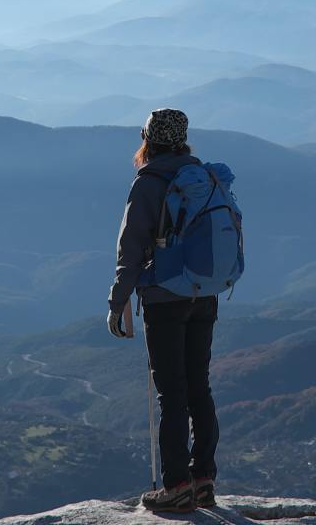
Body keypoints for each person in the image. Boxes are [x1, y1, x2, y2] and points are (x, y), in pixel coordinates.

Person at [109, 107, 225, 513]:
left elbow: (131, 249)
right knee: (199, 388)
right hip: (204, 296)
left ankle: (176, 485)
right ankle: (204, 478)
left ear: (148, 139)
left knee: (172, 394)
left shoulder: (149, 183)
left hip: (163, 300)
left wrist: (117, 302)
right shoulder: (204, 178)